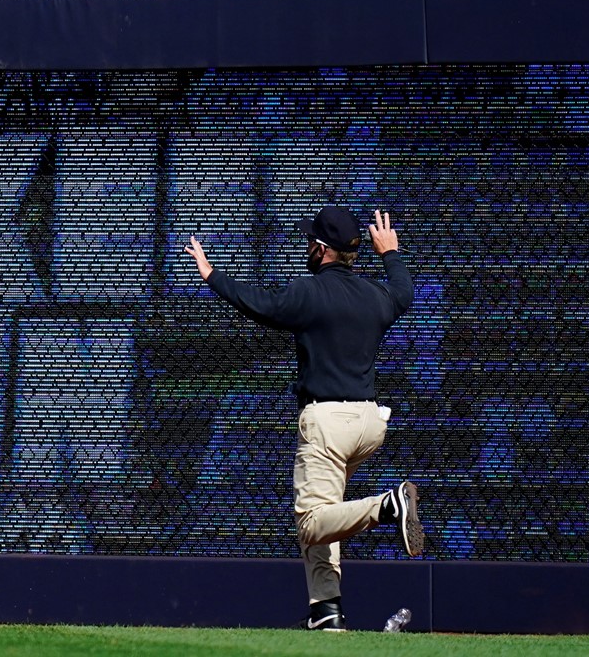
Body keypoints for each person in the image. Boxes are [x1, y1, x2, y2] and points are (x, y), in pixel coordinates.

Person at [181, 206, 422, 633]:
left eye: (312, 240)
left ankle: (389, 506)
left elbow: (261, 304)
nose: (307, 245)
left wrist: (211, 275)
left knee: (311, 522)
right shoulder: (376, 296)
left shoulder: (309, 292)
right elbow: (403, 290)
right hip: (369, 422)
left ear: (323, 249)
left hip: (328, 422)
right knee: (324, 517)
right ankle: (325, 611)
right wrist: (392, 253)